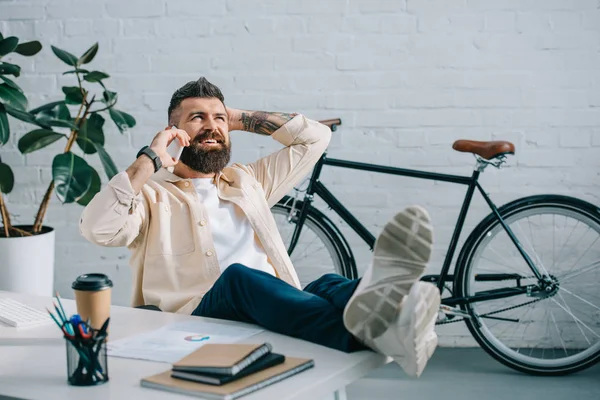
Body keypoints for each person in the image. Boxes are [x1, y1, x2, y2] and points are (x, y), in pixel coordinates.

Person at [79, 77, 441, 377]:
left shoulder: (247, 181)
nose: (212, 125)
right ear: (175, 131)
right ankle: (385, 326)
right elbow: (98, 228)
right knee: (239, 278)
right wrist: (151, 156)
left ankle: (398, 317)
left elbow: (315, 137)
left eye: (218, 118)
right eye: (198, 118)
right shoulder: (151, 197)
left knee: (326, 284)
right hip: (195, 320)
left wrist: (235, 117)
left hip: (268, 303)